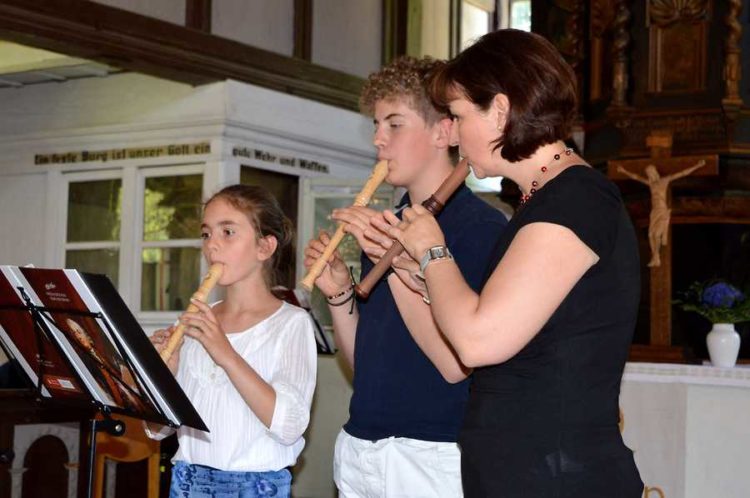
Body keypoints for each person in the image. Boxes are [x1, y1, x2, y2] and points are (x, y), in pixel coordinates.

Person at [382, 30, 644, 497]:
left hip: (559, 478)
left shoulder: (577, 199)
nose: (455, 132)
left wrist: (432, 251)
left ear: (501, 111)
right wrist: (417, 277)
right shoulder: (543, 200)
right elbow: (485, 346)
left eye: (460, 115)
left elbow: (479, 341)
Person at [303, 56, 507, 497]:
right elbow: (367, 366)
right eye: (377, 125)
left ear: (444, 131)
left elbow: (455, 365)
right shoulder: (388, 225)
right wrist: (339, 295)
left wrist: (392, 260)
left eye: (394, 124)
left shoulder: (483, 229)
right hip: (362, 444)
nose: (378, 139)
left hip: (432, 453)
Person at [148, 185, 317, 498]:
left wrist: (225, 354)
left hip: (255, 488)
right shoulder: (192, 321)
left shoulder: (291, 323)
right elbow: (158, 430)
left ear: (264, 247)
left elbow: (289, 425)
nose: (212, 245)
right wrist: (164, 376)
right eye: (206, 234)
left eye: (227, 232)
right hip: (186, 483)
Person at [617, 161, 704, 267]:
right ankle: (655, 257)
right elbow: (636, 177)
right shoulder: (651, 184)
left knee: (657, 234)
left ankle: (656, 257)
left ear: (654, 172)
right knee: (650, 235)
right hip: (654, 211)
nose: (649, 175)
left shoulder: (664, 181)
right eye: (648, 174)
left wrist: (697, 166)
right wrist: (623, 171)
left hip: (661, 210)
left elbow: (682, 173)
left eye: (650, 173)